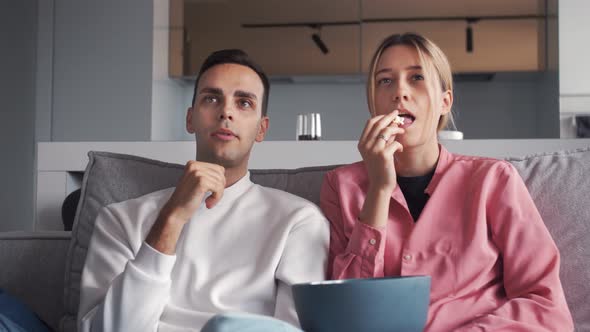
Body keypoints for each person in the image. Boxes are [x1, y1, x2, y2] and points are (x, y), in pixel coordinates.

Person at [320, 33, 574, 331]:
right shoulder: (340, 186)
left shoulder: (493, 180)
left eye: (416, 78)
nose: (399, 91)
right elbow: (348, 315)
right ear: (373, 103)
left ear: (444, 102)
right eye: (385, 81)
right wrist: (379, 189)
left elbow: (545, 304)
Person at [77, 49, 329, 332]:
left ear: (261, 129)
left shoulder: (299, 221)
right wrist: (171, 219)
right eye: (211, 99)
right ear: (190, 119)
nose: (226, 112)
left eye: (244, 102)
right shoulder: (120, 219)